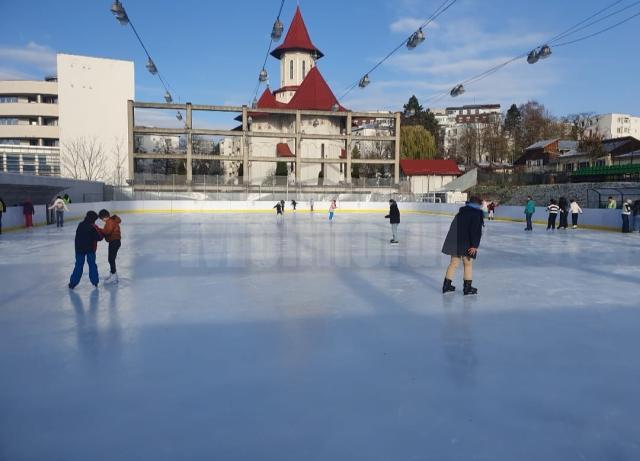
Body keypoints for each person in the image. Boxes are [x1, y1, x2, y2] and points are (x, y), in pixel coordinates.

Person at [441, 196, 484, 295]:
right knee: (468, 264)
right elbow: (475, 231)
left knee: (453, 263)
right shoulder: (476, 214)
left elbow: (453, 228)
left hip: (455, 242)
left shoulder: (461, 213)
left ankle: (446, 286)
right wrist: (474, 245)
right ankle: (467, 288)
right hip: (467, 244)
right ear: (477, 204)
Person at [69, 211, 103, 289]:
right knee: (92, 265)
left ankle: (73, 283)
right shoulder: (93, 227)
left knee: (78, 266)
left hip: (79, 249)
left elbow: (77, 236)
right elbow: (99, 237)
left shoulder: (80, 225)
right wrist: (102, 232)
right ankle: (95, 282)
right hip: (90, 249)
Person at [98, 209, 122, 284]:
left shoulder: (110, 222)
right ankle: (113, 274)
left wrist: (99, 230)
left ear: (104, 217)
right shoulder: (112, 221)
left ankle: (114, 276)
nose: (102, 221)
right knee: (111, 259)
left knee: (111, 259)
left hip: (114, 242)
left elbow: (107, 232)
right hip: (114, 241)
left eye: (102, 219)